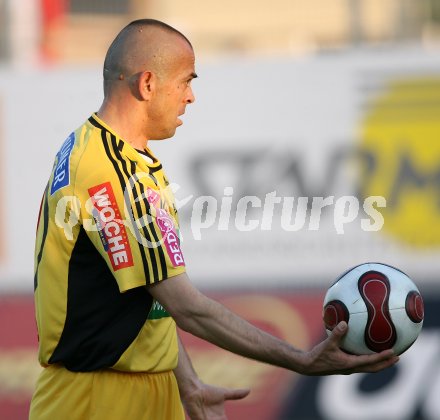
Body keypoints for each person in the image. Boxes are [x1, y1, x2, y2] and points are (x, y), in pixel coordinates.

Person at [30, 19, 398, 420]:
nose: (191, 96)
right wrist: (301, 360)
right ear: (148, 84)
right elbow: (188, 308)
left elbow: (147, 297)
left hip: (148, 385)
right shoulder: (111, 173)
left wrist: (187, 384)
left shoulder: (113, 154)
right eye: (186, 81)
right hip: (95, 399)